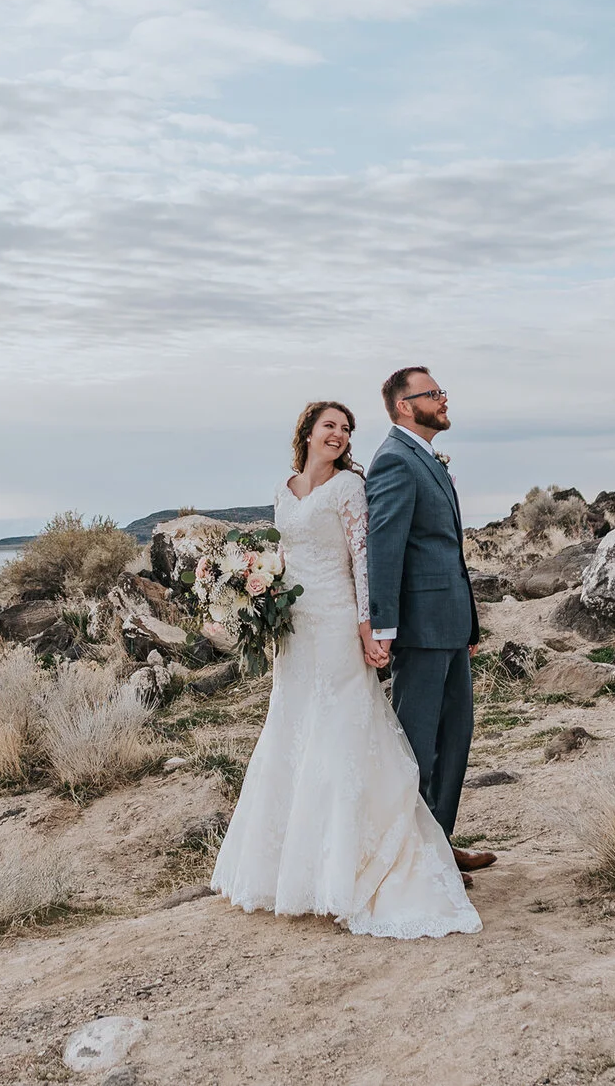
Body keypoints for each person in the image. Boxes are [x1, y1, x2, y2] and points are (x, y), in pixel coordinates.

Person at [211, 399, 480, 939]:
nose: (338, 434)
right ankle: (299, 868)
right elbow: (283, 558)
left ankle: (364, 858)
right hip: (295, 631)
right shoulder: (284, 489)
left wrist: (368, 625)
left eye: (345, 428)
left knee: (342, 730)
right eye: (329, 425)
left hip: (337, 622)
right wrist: (257, 591)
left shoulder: (350, 487)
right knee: (294, 728)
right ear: (307, 432)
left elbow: (363, 559)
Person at [363, 366, 494, 875]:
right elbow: (385, 548)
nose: (444, 399)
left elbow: (447, 552)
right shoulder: (395, 460)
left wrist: (470, 625)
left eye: (441, 391)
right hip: (420, 629)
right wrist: (384, 628)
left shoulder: (425, 456)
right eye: (433, 393)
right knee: (418, 744)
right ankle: (408, 860)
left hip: (450, 624)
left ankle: (437, 844)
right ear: (404, 405)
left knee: (454, 737)